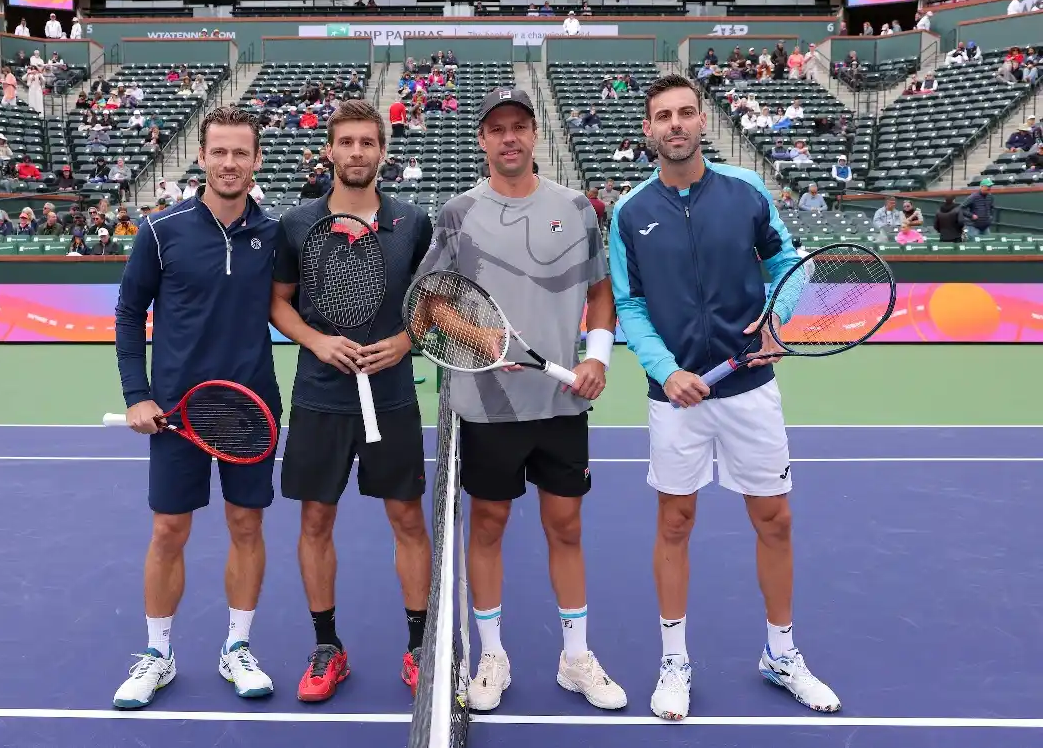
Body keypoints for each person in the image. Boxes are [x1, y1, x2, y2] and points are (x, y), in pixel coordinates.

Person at [607, 74, 842, 720]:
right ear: (649, 130)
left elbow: (790, 262)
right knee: (675, 521)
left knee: (775, 519)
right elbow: (628, 301)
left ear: (702, 120)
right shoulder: (630, 211)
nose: (675, 124)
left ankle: (781, 653)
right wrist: (664, 368)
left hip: (750, 388)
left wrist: (775, 319)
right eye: (663, 115)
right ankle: (675, 660)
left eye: (686, 112)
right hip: (674, 395)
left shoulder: (747, 191)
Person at [414, 87, 626, 711]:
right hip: (486, 407)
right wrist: (480, 337)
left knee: (566, 526)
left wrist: (597, 357)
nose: (509, 138)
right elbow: (427, 306)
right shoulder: (457, 212)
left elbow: (602, 292)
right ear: (482, 139)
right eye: (496, 129)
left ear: (535, 136)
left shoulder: (577, 207)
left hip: (561, 407)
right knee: (489, 525)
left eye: (519, 127)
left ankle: (576, 656)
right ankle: (492, 657)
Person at [111, 106, 282, 708]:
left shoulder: (275, 234)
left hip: (249, 410)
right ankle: (158, 654)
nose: (230, 163)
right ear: (202, 157)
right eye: (219, 152)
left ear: (257, 160)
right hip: (176, 414)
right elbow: (129, 314)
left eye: (241, 152)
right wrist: (138, 395)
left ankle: (236, 648)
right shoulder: (161, 231)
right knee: (168, 530)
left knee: (246, 525)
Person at [269, 99, 435, 702]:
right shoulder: (297, 224)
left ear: (382, 152)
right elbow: (279, 300)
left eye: (368, 143)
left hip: (390, 395)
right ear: (330, 150)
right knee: (315, 520)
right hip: (319, 397)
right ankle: (327, 647)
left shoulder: (414, 222)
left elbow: (434, 305)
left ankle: (420, 648)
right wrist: (316, 342)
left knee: (408, 520)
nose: (358, 153)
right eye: (347, 143)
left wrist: (402, 343)